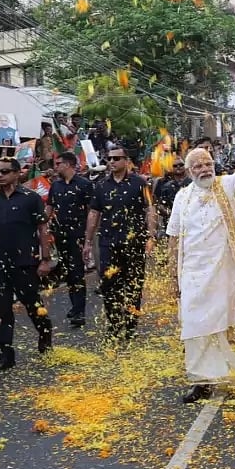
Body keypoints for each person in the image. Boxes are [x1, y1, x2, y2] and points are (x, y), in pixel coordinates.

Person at [167, 123, 235, 404]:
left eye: (208, 163)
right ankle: (202, 380)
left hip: (226, 273)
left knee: (234, 326)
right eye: (198, 166)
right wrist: (172, 278)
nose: (204, 169)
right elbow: (173, 238)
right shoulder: (182, 198)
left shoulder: (225, 186)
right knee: (195, 327)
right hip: (193, 275)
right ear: (190, 172)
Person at [0, 157, 55, 373]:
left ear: (16, 174)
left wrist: (45, 259)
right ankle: (5, 352)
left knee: (32, 303)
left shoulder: (31, 199)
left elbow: (43, 229)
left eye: (4, 172)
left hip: (24, 261)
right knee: (1, 307)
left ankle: (44, 330)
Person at [83, 146, 156, 341]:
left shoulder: (140, 184)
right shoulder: (101, 185)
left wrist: (151, 236)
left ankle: (131, 325)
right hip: (108, 243)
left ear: (126, 160)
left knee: (133, 286)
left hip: (134, 243)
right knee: (109, 285)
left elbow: (150, 209)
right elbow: (94, 213)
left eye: (116, 158)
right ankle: (114, 325)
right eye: (109, 158)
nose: (112, 162)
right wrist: (88, 242)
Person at [47, 151, 94, 327]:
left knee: (77, 272)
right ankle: (75, 306)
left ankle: (79, 311)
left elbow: (92, 211)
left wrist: (89, 237)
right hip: (60, 235)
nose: (55, 167)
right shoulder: (56, 186)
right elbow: (49, 208)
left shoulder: (84, 185)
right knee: (68, 272)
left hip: (78, 235)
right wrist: (43, 225)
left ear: (67, 164)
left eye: (58, 163)